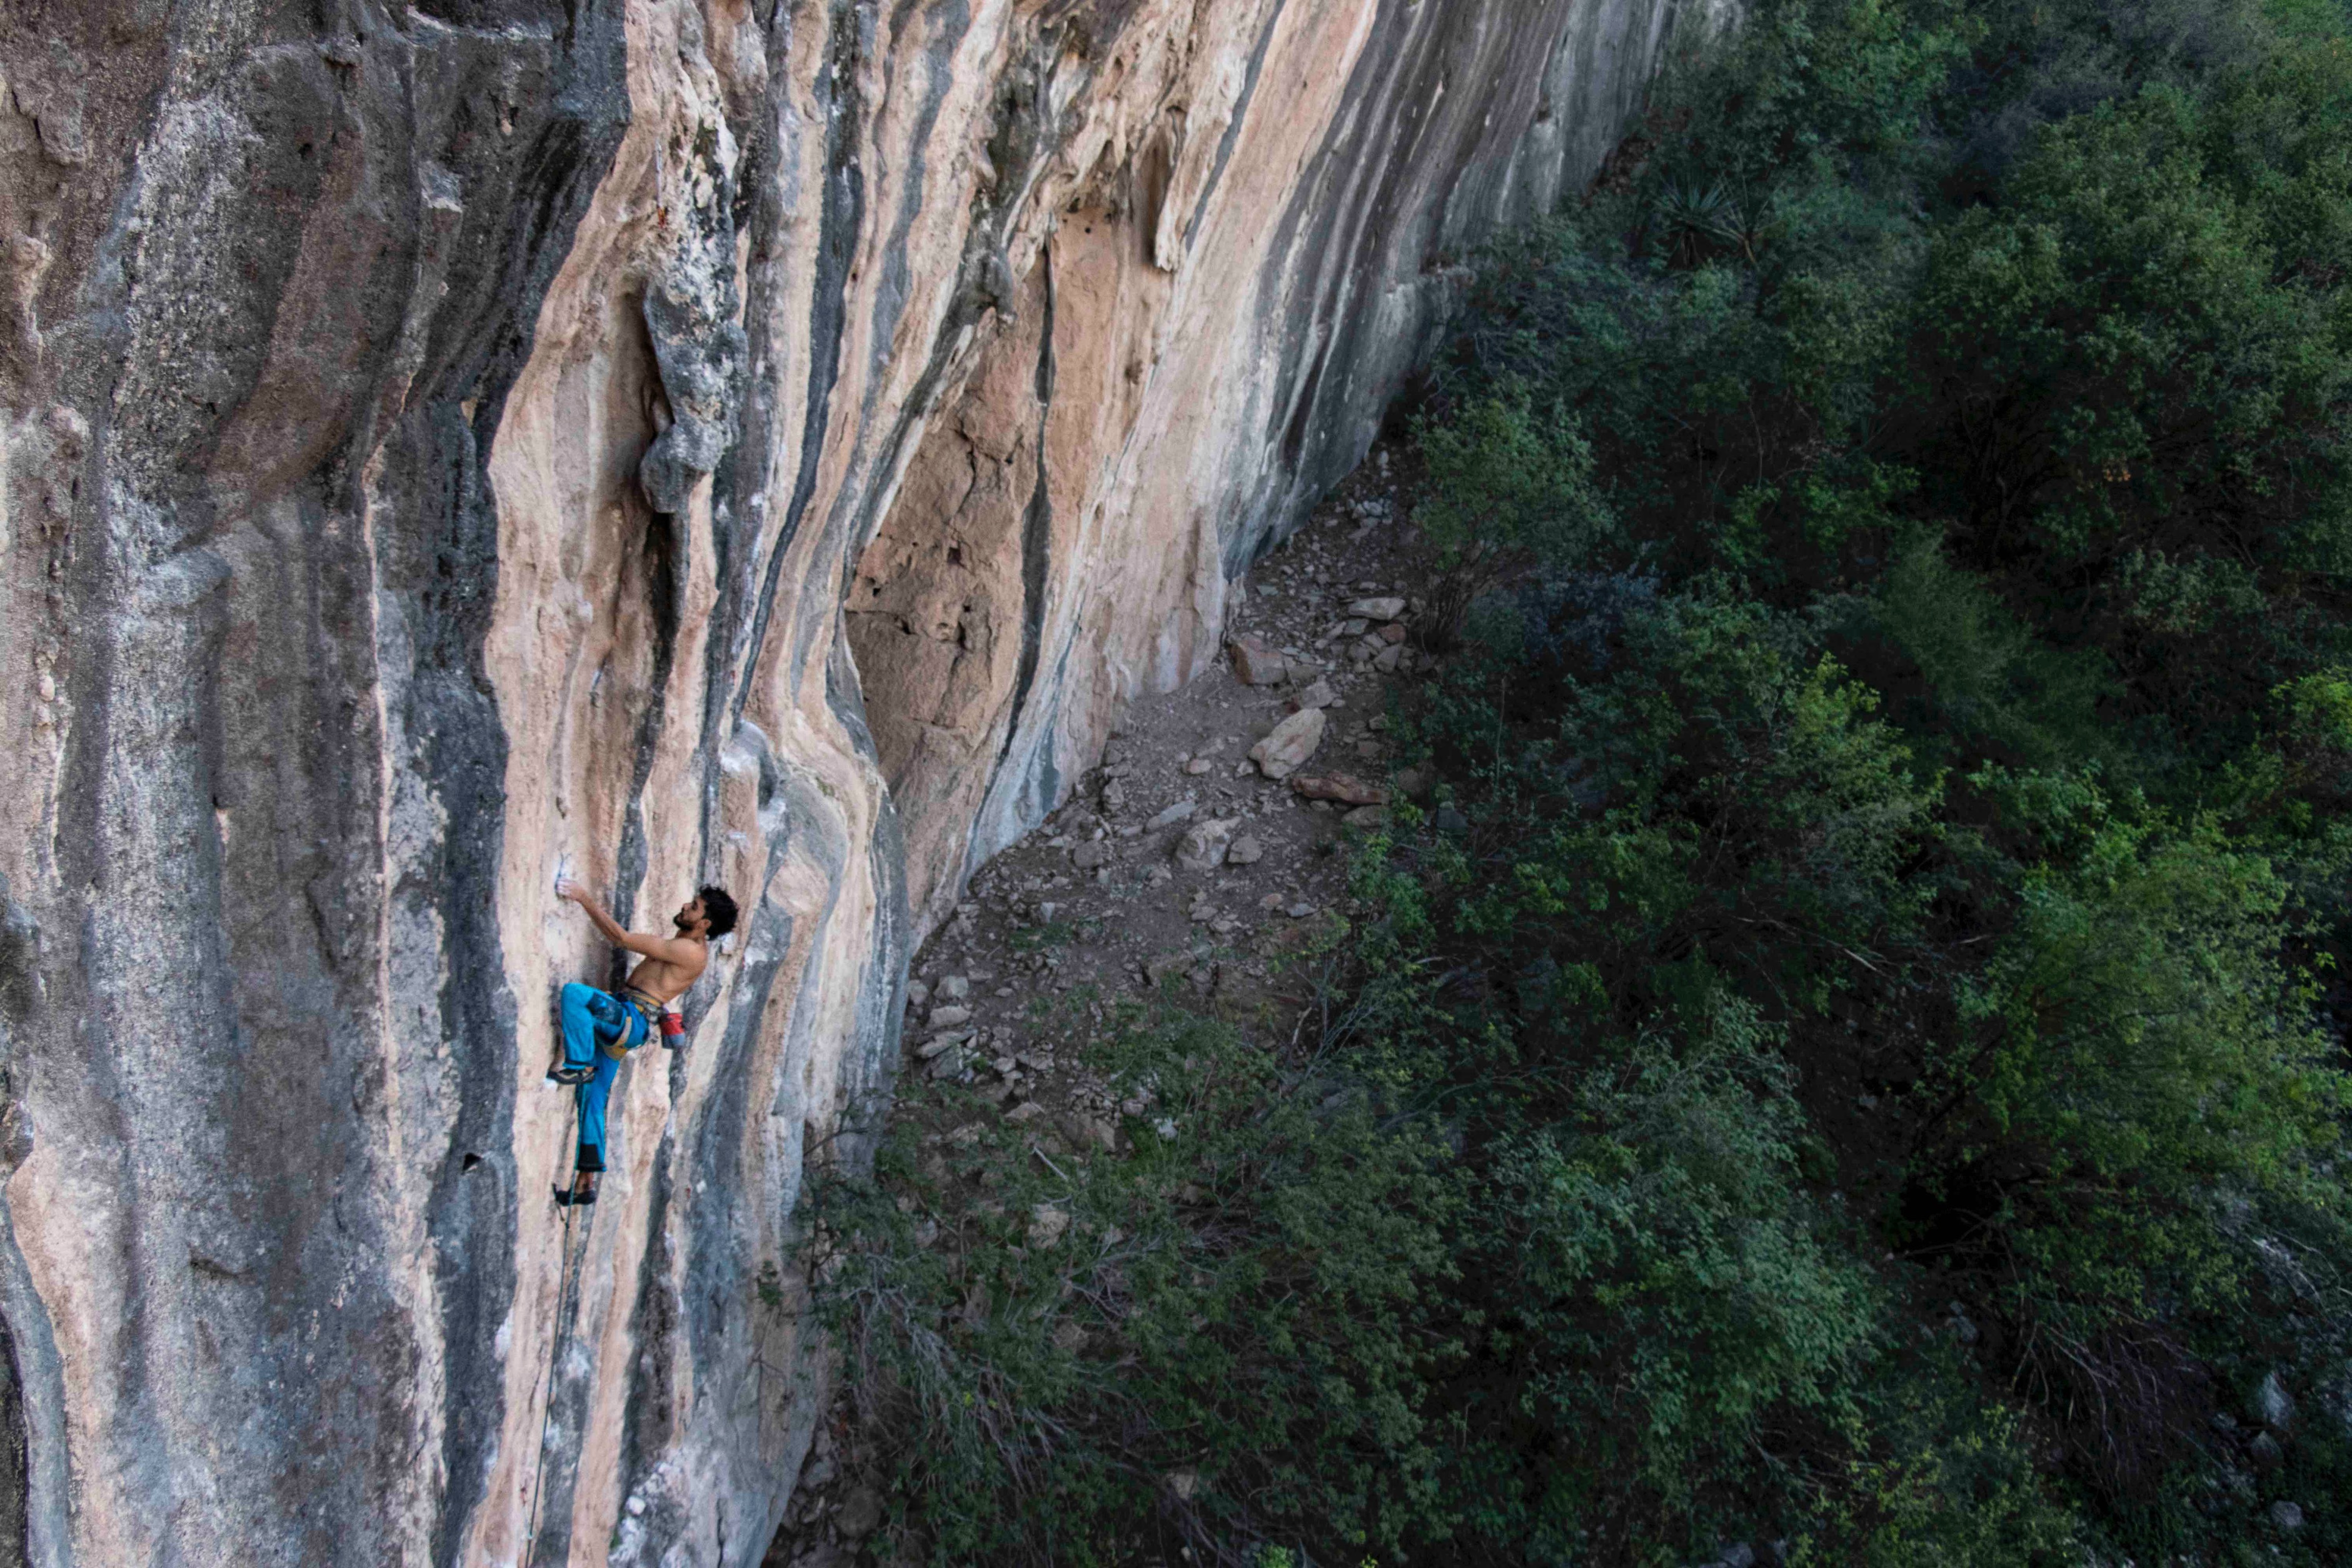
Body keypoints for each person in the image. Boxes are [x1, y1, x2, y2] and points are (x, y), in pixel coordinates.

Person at [548, 878, 738, 1207]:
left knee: (574, 995)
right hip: (628, 1022)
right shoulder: (685, 944)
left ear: (705, 924)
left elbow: (621, 939)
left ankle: (577, 1065)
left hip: (629, 1018)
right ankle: (585, 1182)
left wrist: (583, 897)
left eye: (694, 908)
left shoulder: (689, 951)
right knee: (593, 1099)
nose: (685, 907)